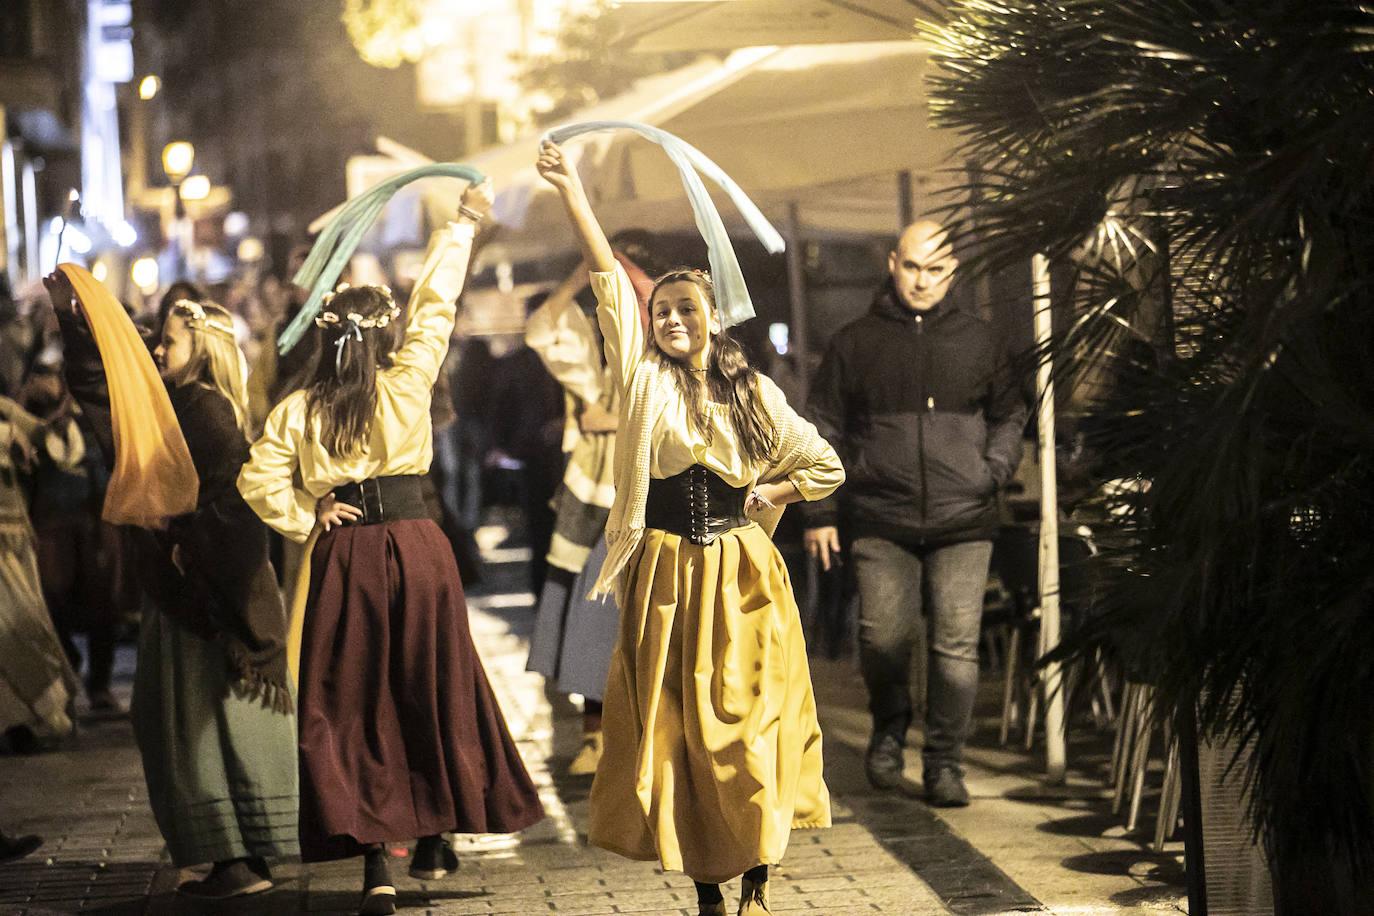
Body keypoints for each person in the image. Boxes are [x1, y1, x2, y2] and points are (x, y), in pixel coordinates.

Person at [538, 140, 844, 916]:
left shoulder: (755, 391)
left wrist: (771, 488)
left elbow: (825, 465)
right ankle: (709, 888)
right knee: (683, 737)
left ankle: (759, 878)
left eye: (686, 310)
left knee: (748, 729)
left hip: (742, 577)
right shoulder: (642, 380)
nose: (672, 320)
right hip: (669, 576)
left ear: (711, 318)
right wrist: (573, 190)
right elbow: (608, 280)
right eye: (662, 311)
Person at [237, 180, 544, 916]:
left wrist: (309, 514)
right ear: (383, 338)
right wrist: (464, 223)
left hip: (347, 558)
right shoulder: (407, 383)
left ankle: (381, 854)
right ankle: (430, 827)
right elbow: (435, 304)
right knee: (432, 686)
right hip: (416, 548)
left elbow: (256, 480)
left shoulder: (300, 407)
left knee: (351, 703)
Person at [45, 272, 301, 897]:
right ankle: (238, 859)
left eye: (171, 343)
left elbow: (233, 506)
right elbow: (102, 397)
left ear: (204, 351)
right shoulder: (172, 408)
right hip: (191, 593)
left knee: (193, 727)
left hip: (206, 600)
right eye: (158, 342)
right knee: (184, 723)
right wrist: (74, 322)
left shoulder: (207, 411)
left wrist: (184, 535)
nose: (158, 352)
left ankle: (235, 862)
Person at [802, 221, 1029, 807]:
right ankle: (890, 724)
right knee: (882, 639)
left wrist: (993, 470)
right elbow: (819, 428)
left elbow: (1010, 413)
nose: (923, 280)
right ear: (892, 264)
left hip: (965, 517)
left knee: (956, 651)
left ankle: (944, 763)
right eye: (912, 267)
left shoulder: (981, 340)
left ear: (953, 273)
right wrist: (821, 510)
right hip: (879, 515)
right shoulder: (854, 342)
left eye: (936, 269)